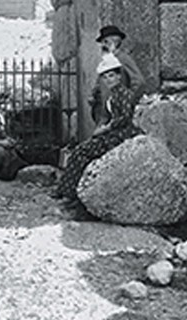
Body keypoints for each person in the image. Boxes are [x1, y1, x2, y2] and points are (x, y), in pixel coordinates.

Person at [52, 52, 143, 210]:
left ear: (119, 77)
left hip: (121, 135)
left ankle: (69, 193)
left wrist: (105, 129)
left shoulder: (125, 95)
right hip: (113, 133)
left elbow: (125, 118)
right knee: (80, 151)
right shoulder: (112, 97)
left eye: (112, 76)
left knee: (81, 152)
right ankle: (68, 191)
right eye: (106, 77)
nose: (109, 80)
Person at [89, 25, 147, 126]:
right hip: (104, 113)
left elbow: (139, 82)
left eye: (106, 42)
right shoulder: (107, 60)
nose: (102, 45)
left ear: (115, 43)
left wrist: (126, 100)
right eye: (102, 42)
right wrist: (94, 94)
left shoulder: (123, 59)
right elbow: (101, 82)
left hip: (117, 114)